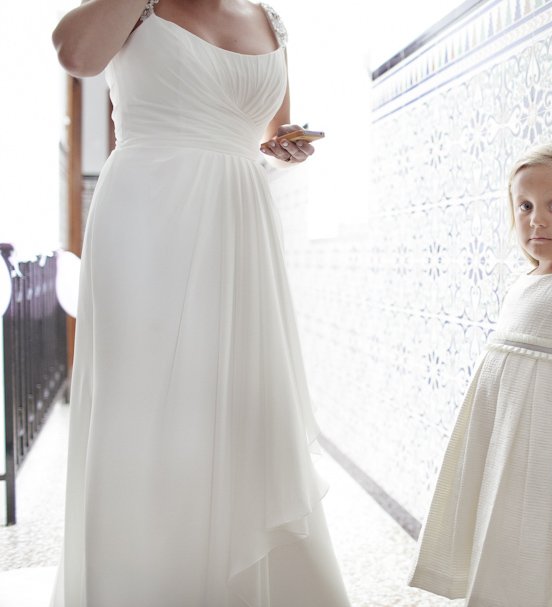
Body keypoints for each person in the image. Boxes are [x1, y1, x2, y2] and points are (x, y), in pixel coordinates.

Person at [50, 1, 350, 605]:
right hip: (145, 219)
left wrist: (284, 147)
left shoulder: (270, 19)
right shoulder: (142, 6)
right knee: (149, 403)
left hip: (239, 221)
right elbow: (76, 55)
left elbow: (269, 128)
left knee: (239, 397)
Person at [408, 141, 552, 605]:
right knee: (504, 530)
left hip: (549, 439)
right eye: (526, 206)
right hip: (507, 438)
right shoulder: (526, 281)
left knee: (541, 541)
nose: (537, 219)